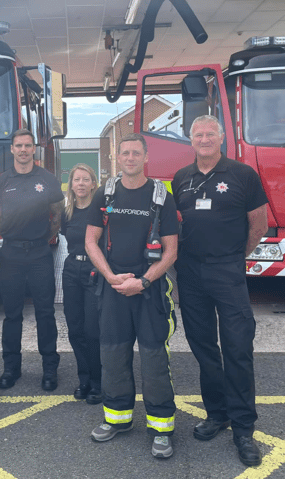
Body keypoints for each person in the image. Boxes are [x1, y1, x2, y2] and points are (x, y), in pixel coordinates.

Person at [171, 115, 267, 467]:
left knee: (238, 348)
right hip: (191, 273)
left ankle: (243, 427)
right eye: (198, 134)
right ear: (190, 140)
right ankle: (217, 413)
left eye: (211, 133)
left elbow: (259, 223)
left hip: (227, 271)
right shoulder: (181, 178)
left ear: (222, 138)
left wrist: (233, 258)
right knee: (204, 348)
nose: (205, 139)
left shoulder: (243, 175)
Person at [86, 133, 178, 459]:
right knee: (113, 356)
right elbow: (91, 242)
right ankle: (118, 418)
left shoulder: (160, 195)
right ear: (117, 157)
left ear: (145, 156)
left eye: (135, 152)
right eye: (124, 152)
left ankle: (162, 428)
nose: (129, 157)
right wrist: (111, 277)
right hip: (113, 289)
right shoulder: (106, 192)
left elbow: (171, 251)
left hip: (149, 290)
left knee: (154, 359)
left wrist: (143, 281)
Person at [0, 129, 64, 391]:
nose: (23, 150)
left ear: (34, 149)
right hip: (10, 253)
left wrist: (41, 239)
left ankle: (49, 370)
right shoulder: (0, 182)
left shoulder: (47, 179)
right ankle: (11, 368)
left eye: (28, 146)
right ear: (12, 149)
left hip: (39, 254)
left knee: (45, 313)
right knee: (12, 315)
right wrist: (14, 236)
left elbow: (57, 215)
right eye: (18, 146)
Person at [60, 163, 102, 405]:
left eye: (86, 179)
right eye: (77, 180)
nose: (81, 184)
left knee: (92, 331)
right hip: (71, 271)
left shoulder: (100, 212)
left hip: (93, 270)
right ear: (71, 185)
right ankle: (83, 379)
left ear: (93, 184)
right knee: (75, 329)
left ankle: (98, 381)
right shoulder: (68, 213)